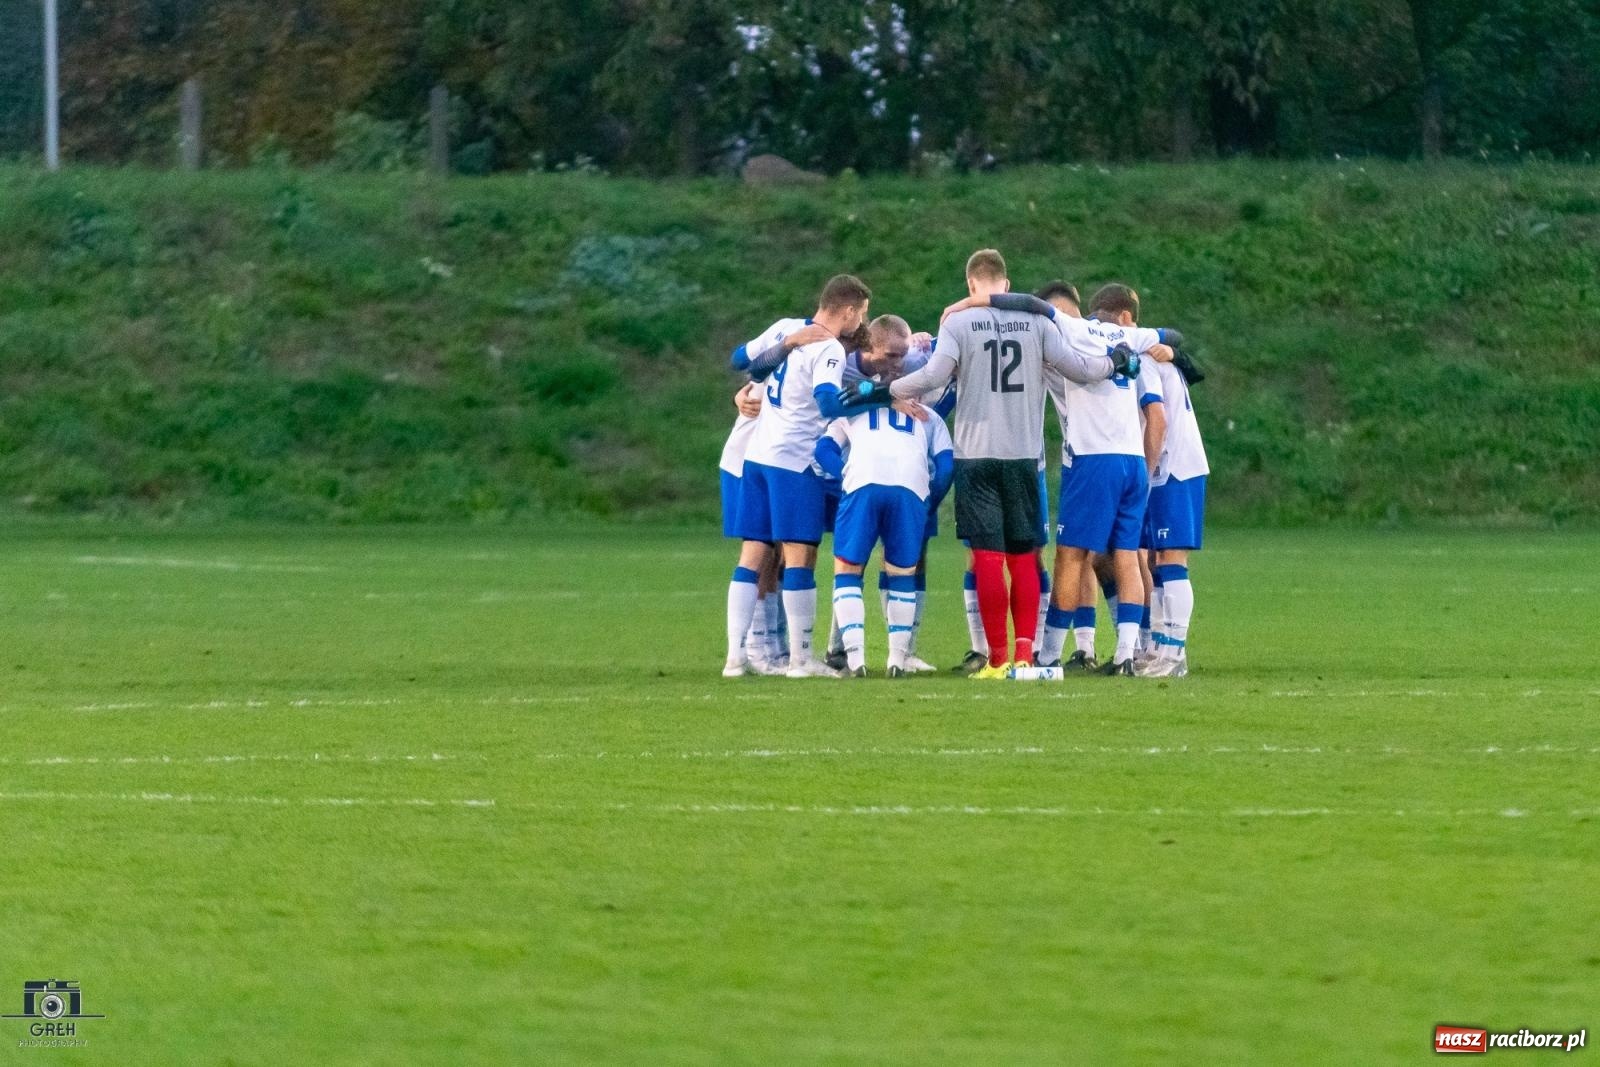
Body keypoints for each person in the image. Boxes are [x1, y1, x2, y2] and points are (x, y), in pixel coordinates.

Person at [882, 250, 1147, 678]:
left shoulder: (958, 322)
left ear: (971, 285)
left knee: (986, 558)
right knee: (1026, 557)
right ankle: (1026, 656)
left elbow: (933, 377)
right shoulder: (1039, 323)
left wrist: (889, 390)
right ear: (1007, 286)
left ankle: (996, 657)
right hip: (1025, 455)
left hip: (976, 454)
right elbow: (1080, 369)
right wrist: (1114, 361)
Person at [724, 275, 878, 678]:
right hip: (794, 461)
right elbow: (827, 404)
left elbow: (740, 359)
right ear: (847, 310)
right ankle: (799, 660)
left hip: (757, 458)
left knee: (753, 555)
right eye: (860, 315)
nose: (860, 323)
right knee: (800, 555)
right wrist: (872, 398)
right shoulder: (827, 346)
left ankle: (734, 659)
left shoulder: (784, 328)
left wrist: (787, 346)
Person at [1036, 283, 1168, 676]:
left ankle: (1048, 654)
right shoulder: (1130, 338)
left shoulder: (1076, 334)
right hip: (1131, 459)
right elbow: (1170, 337)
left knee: (1071, 555)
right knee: (1125, 555)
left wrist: (976, 301)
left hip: (1095, 458)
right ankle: (1127, 653)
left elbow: (1027, 306)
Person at [815, 323, 955, 677]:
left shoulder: (854, 405)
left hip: (863, 482)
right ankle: (897, 659)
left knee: (848, 570)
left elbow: (823, 447)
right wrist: (930, 501)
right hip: (910, 488)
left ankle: (856, 659)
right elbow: (947, 465)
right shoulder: (929, 415)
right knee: (903, 572)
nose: (898, 363)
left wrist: (845, 474)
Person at [1138, 347, 1210, 678]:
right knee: (1155, 558)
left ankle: (1175, 652)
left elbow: (1159, 420)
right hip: (1164, 469)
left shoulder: (1147, 361)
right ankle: (1159, 647)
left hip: (1175, 468)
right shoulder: (1153, 356)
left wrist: (1145, 473)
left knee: (1171, 557)